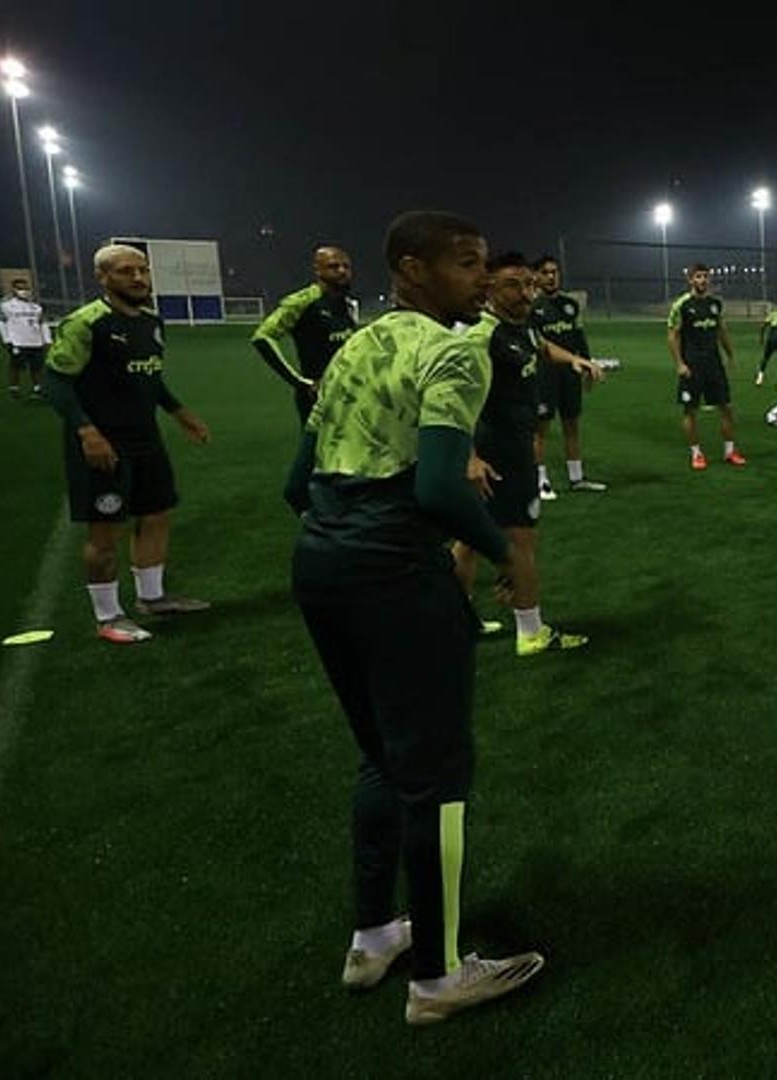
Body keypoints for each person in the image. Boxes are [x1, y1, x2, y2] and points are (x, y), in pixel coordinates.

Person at [284, 210, 545, 1025]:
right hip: (394, 571)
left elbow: (299, 481)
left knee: (380, 759)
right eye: (466, 264)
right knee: (437, 776)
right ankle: (437, 976)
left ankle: (374, 936)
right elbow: (437, 488)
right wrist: (503, 551)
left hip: (320, 561)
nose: (483, 279)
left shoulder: (356, 344)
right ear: (412, 270)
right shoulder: (456, 350)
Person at [44, 245, 213, 643]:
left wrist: (177, 411)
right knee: (106, 531)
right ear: (102, 277)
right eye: (125, 272)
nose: (138, 278)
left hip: (145, 439)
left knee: (156, 514)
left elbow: (148, 378)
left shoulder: (152, 322)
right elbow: (56, 380)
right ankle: (108, 617)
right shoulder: (88, 322)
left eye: (142, 271)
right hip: (103, 443)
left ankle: (153, 598)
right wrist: (86, 431)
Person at [454, 251, 600, 656]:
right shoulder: (482, 336)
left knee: (467, 541)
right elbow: (451, 401)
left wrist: (576, 360)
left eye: (527, 284)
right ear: (489, 288)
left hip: (508, 450)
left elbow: (543, 347)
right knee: (521, 542)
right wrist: (468, 456)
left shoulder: (521, 328)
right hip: (497, 455)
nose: (525, 293)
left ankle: (458, 621)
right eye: (512, 285)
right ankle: (531, 632)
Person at [252, 246, 358, 423]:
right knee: (316, 449)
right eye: (334, 266)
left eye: (346, 266)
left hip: (350, 394)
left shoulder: (347, 305)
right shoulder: (303, 301)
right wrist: (300, 383)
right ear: (317, 270)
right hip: (317, 397)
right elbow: (262, 337)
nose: (342, 271)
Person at [529, 256, 607, 497]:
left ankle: (577, 478)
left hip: (570, 374)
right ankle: (540, 481)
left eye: (554, 272)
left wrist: (587, 365)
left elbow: (579, 338)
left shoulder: (570, 305)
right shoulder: (532, 307)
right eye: (545, 272)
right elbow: (536, 344)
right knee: (540, 429)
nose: (551, 276)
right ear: (537, 276)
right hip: (543, 374)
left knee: (571, 425)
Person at [667, 264, 745, 470]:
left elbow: (721, 330)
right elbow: (672, 336)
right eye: (698, 277)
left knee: (726, 408)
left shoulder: (715, 304)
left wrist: (730, 355)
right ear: (690, 280)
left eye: (705, 277)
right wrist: (680, 364)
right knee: (690, 411)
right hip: (692, 366)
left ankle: (730, 451)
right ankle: (696, 453)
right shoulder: (681, 305)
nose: (703, 280)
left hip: (714, 364)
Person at [1, 277, 49, 400]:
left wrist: (47, 340)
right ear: (14, 290)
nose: (24, 291)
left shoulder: (36, 307)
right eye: (20, 288)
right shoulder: (6, 306)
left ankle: (38, 389)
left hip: (36, 341)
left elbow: (42, 323)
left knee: (37, 367)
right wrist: (6, 340)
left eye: (26, 288)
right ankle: (14, 389)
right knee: (16, 366)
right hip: (18, 341)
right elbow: (2, 322)